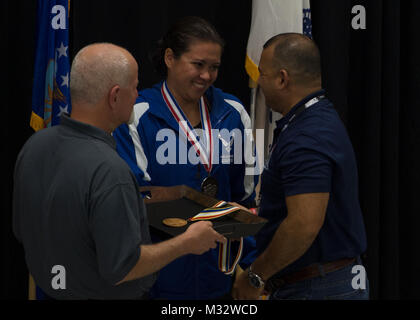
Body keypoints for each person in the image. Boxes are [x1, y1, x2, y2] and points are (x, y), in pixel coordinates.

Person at [12, 43, 226, 300]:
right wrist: (187, 242)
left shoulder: (35, 145)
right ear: (115, 96)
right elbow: (123, 267)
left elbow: (22, 230)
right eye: (135, 87)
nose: (138, 95)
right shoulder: (110, 170)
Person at [113, 16, 258, 299]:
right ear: (170, 58)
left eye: (214, 67)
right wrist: (201, 213)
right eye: (198, 64)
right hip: (158, 281)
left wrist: (248, 267)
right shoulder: (136, 114)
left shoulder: (233, 112)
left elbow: (246, 198)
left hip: (218, 280)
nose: (206, 75)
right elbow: (135, 199)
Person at [232, 33, 369, 300]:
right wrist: (256, 215)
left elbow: (303, 224)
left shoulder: (306, 136)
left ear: (282, 79)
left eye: (263, 74)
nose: (259, 82)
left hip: (316, 288)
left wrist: (254, 276)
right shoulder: (317, 116)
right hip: (324, 281)